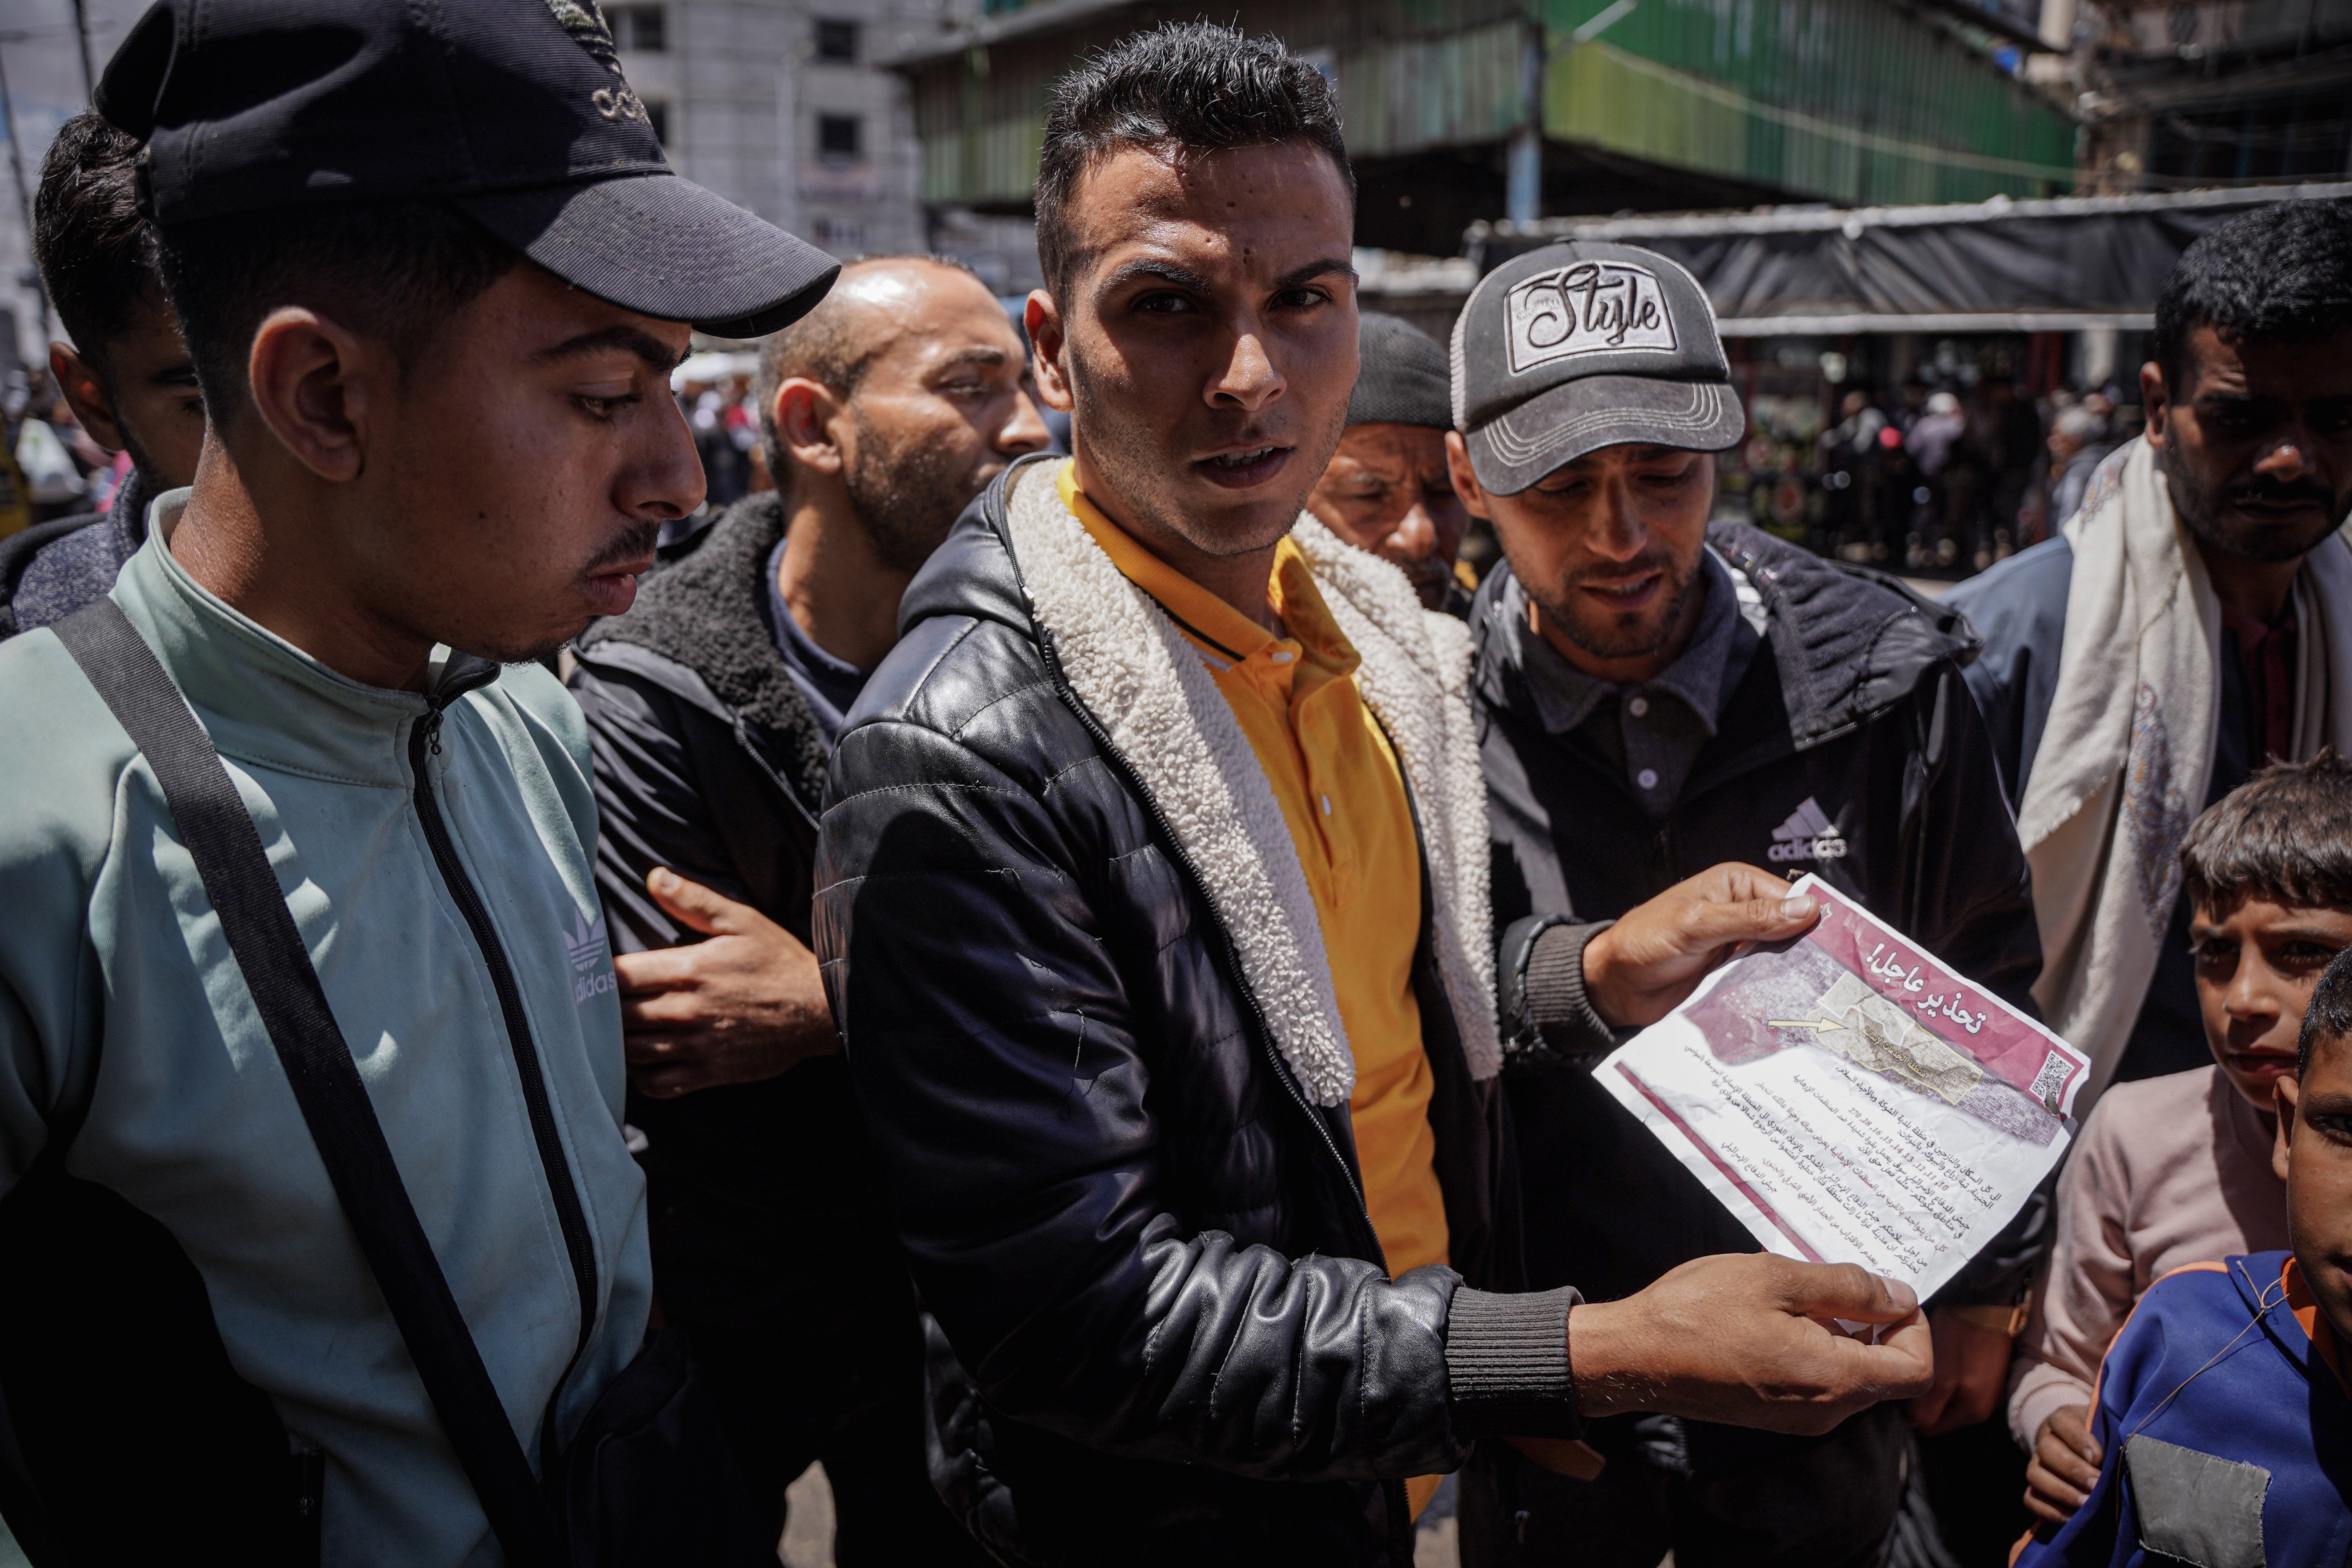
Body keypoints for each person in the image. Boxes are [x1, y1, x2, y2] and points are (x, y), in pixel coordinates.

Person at [812, 24, 1932, 1568]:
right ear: (1052, 350)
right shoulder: (959, 758)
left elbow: (1351, 1019)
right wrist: (1595, 1349)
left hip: (1404, 1480)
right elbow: (1081, 1313)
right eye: (1168, 304)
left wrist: (1584, 970)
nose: (1253, 374)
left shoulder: (1364, 633)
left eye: (1304, 300)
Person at [0, 0, 837, 1560]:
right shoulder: (44, 821)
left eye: (673, 388)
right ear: (322, 397)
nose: (676, 471)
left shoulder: (521, 714)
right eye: (601, 397)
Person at [1451, 239, 2045, 1567]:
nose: (1620, 536)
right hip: (1552, 1390)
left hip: (1825, 1392)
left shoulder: (1890, 684)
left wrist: (1992, 1285)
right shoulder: (1415, 716)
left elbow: (1990, 981)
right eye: (1561, 488)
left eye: (1664, 479)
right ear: (1465, 478)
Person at [564, 254, 1045, 1557]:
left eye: (1024, 384)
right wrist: (956, 991)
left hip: (987, 1304)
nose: (1029, 427)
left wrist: (832, 1002)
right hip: (741, 1314)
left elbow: (1119, 977)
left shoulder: (1068, 661)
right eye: (969, 388)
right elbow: (683, 1035)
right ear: (809, 425)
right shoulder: (655, 689)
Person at [1947, 200, 2352, 1103]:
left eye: (2333, 418)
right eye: (2243, 419)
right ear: (2158, 408)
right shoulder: (2004, 647)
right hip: (2057, 1158)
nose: (2292, 458)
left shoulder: (2340, 624)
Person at [2010, 753, 2352, 1525]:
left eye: (2302, 951)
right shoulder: (2135, 1131)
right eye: (2215, 954)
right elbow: (2056, 1363)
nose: (2243, 999)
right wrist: (2056, 1426)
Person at [0, 110, 204, 639]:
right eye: (208, 404)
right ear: (95, 403)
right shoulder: (33, 647)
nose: (298, 444)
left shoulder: (433, 599)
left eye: (324, 380)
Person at [1303, 310, 1472, 612]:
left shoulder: (1494, 636)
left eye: (1445, 491)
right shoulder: (1244, 650)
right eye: (1368, 495)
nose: (1420, 537)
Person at [2045, 403, 2116, 529]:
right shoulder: (2107, 461)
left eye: (2059, 437)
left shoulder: (2079, 473)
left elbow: (2068, 522)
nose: (2052, 443)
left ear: (2074, 440)